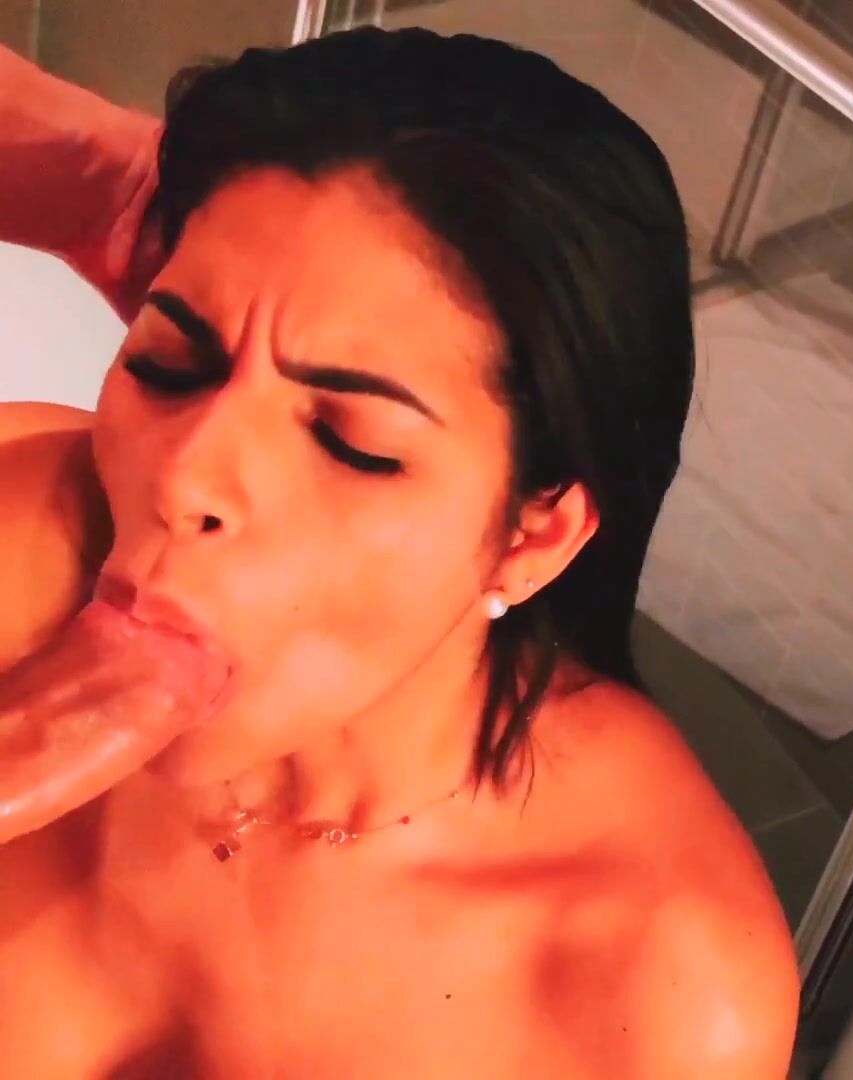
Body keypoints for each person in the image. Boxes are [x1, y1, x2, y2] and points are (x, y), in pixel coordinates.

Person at [0, 27, 798, 1077]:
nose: (184, 479)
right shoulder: (31, 544)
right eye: (170, 363)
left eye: (353, 444)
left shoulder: (662, 988)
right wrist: (95, 174)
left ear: (533, 535)